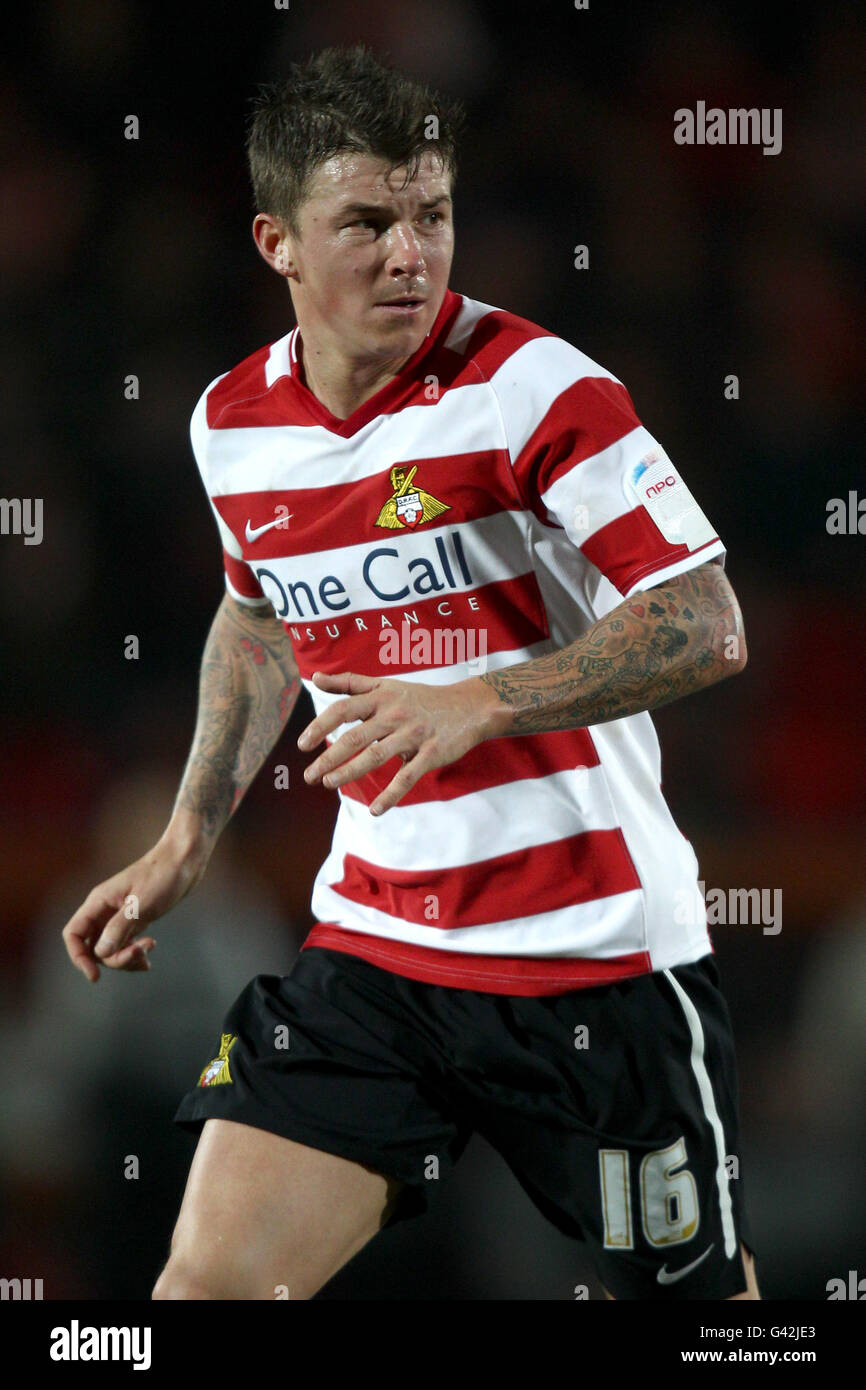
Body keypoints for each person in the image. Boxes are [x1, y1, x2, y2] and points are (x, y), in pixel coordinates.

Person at [63, 43, 759, 1301]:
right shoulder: (230, 424)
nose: (410, 253)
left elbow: (704, 619)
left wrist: (484, 696)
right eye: (368, 223)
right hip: (376, 951)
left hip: (592, 954)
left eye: (431, 215)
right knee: (202, 1292)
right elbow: (259, 619)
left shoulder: (534, 387)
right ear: (277, 240)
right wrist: (186, 838)